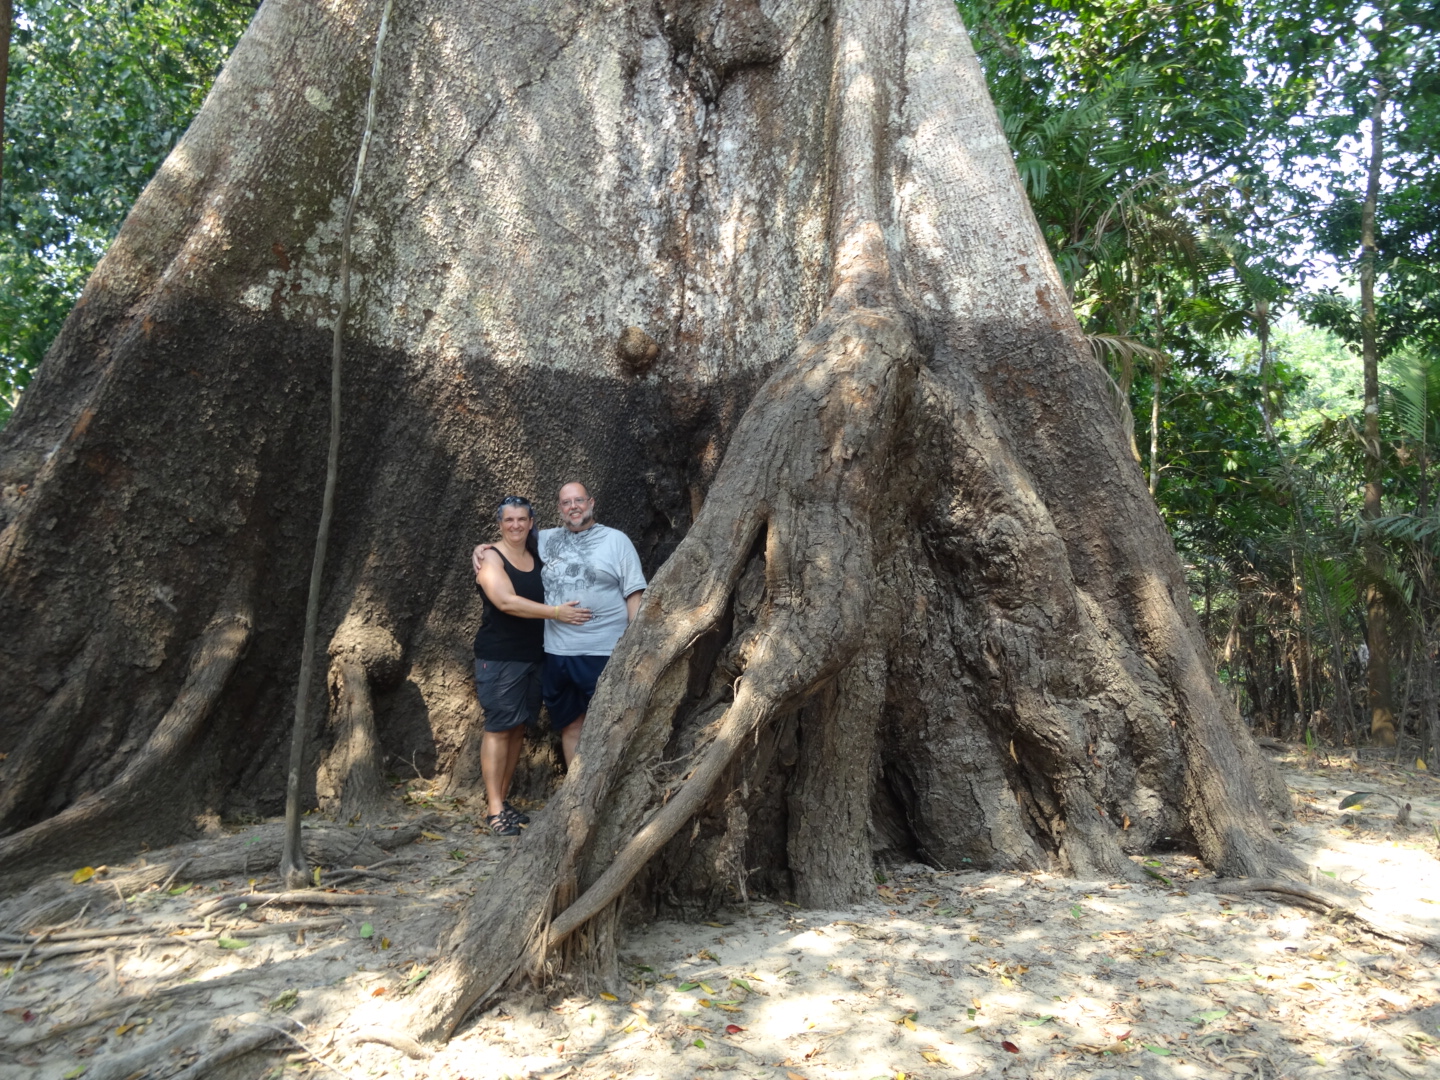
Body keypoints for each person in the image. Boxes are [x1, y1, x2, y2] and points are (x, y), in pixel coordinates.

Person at [473, 482, 646, 767]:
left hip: (604, 651)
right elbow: (508, 544)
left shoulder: (617, 541)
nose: (573, 506)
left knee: (609, 725)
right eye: (566, 503)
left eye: (579, 500)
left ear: (591, 503)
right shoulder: (543, 540)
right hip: (557, 653)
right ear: (559, 509)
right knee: (571, 725)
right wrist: (481, 550)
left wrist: (635, 642)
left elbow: (634, 593)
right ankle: (575, 796)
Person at [472, 495, 591, 836]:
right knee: (498, 727)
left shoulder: (538, 551)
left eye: (522, 520)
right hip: (499, 656)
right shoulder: (491, 559)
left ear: (531, 522)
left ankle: (504, 801)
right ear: (499, 524)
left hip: (535, 654)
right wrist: (556, 613)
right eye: (509, 520)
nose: (515, 526)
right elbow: (506, 601)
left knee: (518, 727)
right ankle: (494, 810)